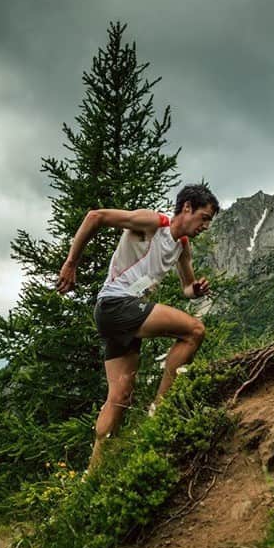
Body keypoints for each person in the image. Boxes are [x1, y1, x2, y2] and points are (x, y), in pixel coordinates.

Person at [56, 184, 219, 470]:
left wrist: (197, 290)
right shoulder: (153, 223)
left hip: (118, 313)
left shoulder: (182, 247)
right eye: (204, 217)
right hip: (116, 305)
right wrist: (71, 263)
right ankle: (161, 412)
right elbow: (95, 216)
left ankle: (93, 473)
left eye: (209, 221)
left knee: (120, 397)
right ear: (187, 208)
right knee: (194, 331)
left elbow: (186, 288)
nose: (205, 225)